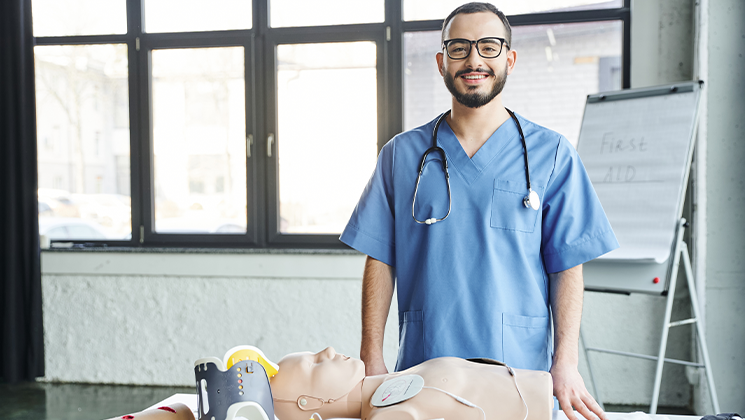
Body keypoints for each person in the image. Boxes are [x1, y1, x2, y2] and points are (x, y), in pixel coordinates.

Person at [339, 3, 619, 420]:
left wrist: (566, 363)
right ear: (441, 61)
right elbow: (380, 257)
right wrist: (371, 357)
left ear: (509, 59)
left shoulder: (552, 154)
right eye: (459, 48)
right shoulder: (401, 155)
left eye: (489, 46)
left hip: (519, 372)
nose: (474, 60)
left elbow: (567, 267)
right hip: (424, 366)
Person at [271, 346, 553, 420]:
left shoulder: (394, 387)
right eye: (315, 363)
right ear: (306, 402)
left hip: (553, 401)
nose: (329, 351)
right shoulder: (391, 416)